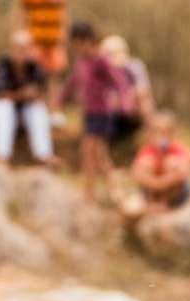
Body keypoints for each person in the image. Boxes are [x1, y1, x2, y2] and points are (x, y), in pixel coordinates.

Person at [0, 29, 56, 166]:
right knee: (5, 107)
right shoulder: (1, 66)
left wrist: (34, 96)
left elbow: (42, 94)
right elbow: (0, 95)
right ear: (11, 49)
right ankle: (1, 156)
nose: (22, 53)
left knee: (36, 108)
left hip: (21, 116)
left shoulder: (35, 68)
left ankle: (44, 155)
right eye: (19, 49)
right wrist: (23, 94)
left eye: (25, 49)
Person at [61, 20, 123, 202]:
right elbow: (72, 82)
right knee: (100, 154)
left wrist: (123, 100)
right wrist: (61, 98)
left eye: (78, 45)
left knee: (89, 150)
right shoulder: (81, 62)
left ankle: (88, 190)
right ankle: (112, 187)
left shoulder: (100, 60)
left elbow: (117, 80)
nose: (76, 50)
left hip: (101, 113)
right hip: (88, 113)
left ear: (87, 41)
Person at [130, 111, 190, 213]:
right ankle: (152, 203)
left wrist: (162, 183)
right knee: (147, 162)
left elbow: (185, 171)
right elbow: (136, 172)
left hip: (176, 193)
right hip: (152, 190)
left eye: (165, 132)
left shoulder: (178, 149)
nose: (161, 136)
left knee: (172, 163)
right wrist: (155, 183)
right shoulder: (147, 150)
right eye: (157, 131)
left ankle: (165, 202)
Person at [102, 34, 155, 144]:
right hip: (111, 116)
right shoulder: (101, 71)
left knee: (145, 101)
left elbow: (143, 90)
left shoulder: (134, 66)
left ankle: (152, 136)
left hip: (132, 112)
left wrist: (124, 99)